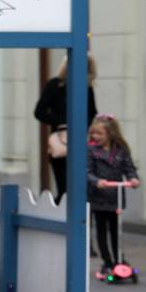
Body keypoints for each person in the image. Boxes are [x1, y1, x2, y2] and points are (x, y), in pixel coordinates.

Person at [35, 55, 99, 202]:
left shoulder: (87, 89)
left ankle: (75, 220)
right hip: (59, 141)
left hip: (79, 141)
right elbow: (39, 112)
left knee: (79, 186)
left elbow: (92, 113)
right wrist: (62, 121)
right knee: (64, 188)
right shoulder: (54, 85)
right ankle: (60, 219)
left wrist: (84, 124)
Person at [87, 114, 139, 277]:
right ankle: (107, 261)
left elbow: (129, 167)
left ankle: (119, 259)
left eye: (100, 134)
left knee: (116, 229)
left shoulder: (121, 150)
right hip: (99, 195)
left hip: (115, 196)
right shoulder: (91, 150)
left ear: (110, 134)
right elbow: (87, 171)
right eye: (94, 133)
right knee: (101, 229)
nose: (96, 137)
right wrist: (97, 181)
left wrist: (133, 178)